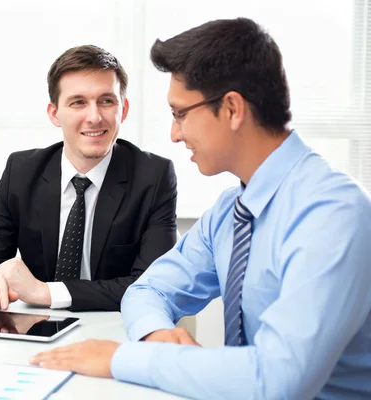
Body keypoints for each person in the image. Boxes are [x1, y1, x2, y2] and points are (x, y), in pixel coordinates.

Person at [30, 18, 371, 399]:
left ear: (231, 109)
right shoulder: (231, 211)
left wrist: (122, 359)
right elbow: (147, 290)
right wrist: (156, 336)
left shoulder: (333, 214)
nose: (175, 133)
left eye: (180, 114)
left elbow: (276, 381)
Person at [0, 45, 178, 311]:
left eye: (106, 101)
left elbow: (151, 285)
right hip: (35, 329)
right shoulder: (22, 171)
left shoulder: (153, 177)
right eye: (78, 102)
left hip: (113, 327)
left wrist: (44, 292)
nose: (94, 117)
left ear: (124, 109)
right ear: (54, 114)